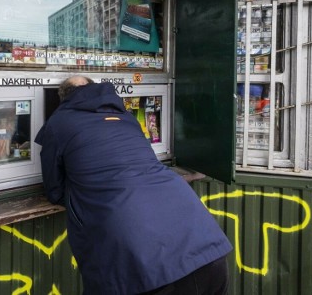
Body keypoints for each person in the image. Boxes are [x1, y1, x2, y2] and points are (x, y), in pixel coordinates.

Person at [35, 76, 233, 295]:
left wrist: (83, 193)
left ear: (63, 97)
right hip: (206, 249)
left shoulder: (58, 122)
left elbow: (54, 190)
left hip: (143, 269)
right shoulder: (127, 118)